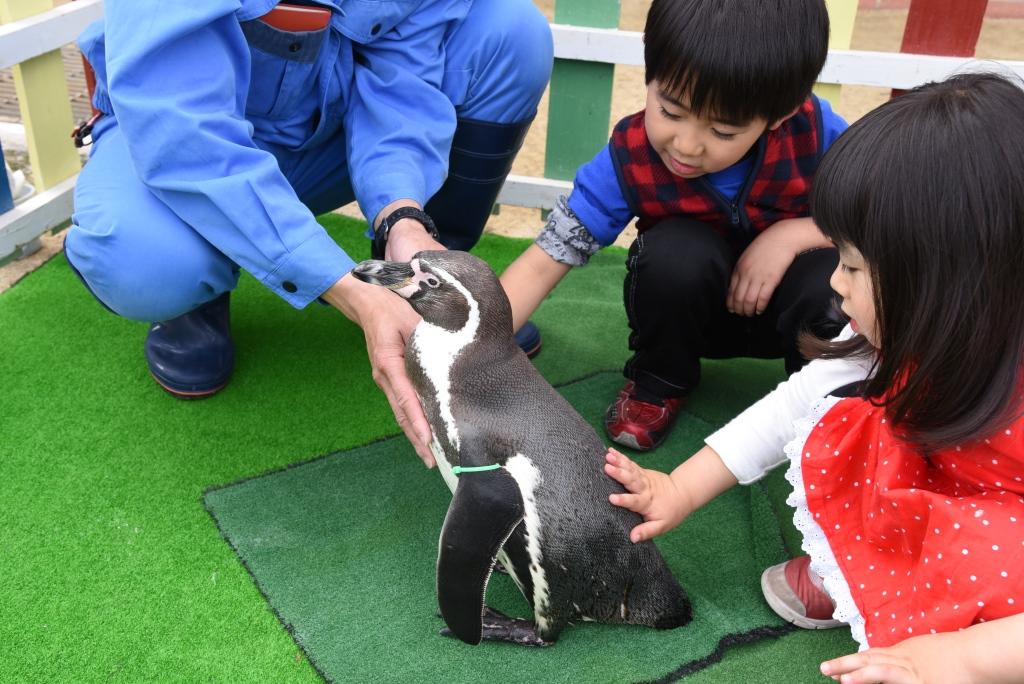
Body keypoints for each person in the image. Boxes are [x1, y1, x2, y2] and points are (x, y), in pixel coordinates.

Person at [604, 72, 1024, 682]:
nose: (835, 280)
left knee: (995, 565)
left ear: (950, 282)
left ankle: (946, 621)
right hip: (934, 499)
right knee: (850, 427)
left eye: (853, 265)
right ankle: (858, 568)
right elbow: (795, 402)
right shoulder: (905, 340)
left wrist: (962, 659)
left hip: (1000, 537)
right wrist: (681, 489)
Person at [65, 1, 553, 466]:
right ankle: (196, 302)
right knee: (142, 263)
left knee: (512, 33)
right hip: (175, 141)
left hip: (323, 134)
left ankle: (430, 296)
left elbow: (402, 86)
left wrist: (402, 220)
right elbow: (186, 137)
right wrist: (344, 286)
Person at [500, 0, 848, 452]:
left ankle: (825, 403)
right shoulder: (630, 156)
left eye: (723, 132)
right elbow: (545, 259)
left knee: (836, 277)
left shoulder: (818, 134)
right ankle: (660, 381)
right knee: (674, 252)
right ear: (651, 68)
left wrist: (793, 235)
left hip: (789, 317)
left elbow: (888, 216)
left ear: (780, 115)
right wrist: (470, 347)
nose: (686, 145)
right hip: (684, 316)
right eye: (670, 110)